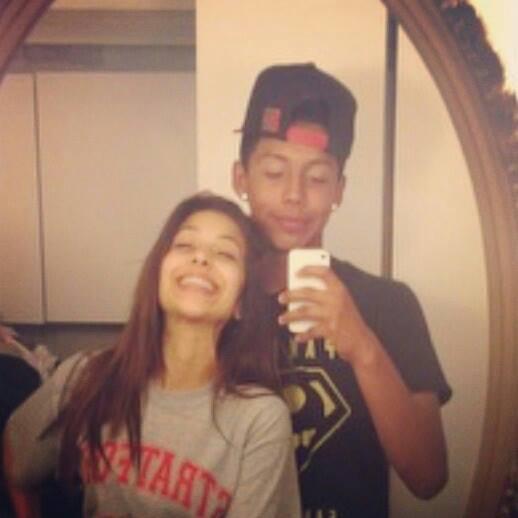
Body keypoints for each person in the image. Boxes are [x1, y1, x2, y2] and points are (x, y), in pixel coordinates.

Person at [231, 63, 452, 518]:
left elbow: (428, 477)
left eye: (316, 178)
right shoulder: (214, 300)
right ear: (241, 179)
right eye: (274, 172)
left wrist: (362, 345)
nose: (294, 195)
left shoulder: (389, 304)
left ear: (339, 190)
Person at [3, 194, 301, 518]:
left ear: (241, 301)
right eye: (185, 245)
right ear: (158, 273)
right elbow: (16, 460)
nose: (201, 258)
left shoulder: (259, 419)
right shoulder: (84, 375)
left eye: (225, 253)